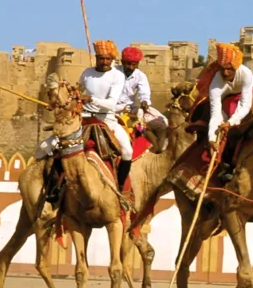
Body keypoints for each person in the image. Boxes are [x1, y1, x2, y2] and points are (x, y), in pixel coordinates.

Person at [35, 39, 133, 189]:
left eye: (107, 59)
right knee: (47, 147)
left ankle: (119, 187)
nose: (104, 62)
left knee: (127, 151)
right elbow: (76, 94)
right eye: (101, 58)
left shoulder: (117, 76)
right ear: (96, 58)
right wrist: (57, 103)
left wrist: (91, 99)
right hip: (84, 118)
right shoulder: (87, 73)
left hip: (106, 119)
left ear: (112, 60)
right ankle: (52, 186)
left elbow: (111, 103)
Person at [194, 43, 253, 180]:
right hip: (228, 97)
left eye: (229, 69)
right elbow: (215, 112)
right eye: (223, 69)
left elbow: (245, 104)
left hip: (249, 89)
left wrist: (231, 122)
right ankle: (226, 163)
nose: (225, 73)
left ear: (236, 67)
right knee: (221, 122)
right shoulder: (216, 84)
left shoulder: (245, 74)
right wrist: (212, 137)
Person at [116, 45, 169, 151]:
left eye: (134, 64)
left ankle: (157, 150)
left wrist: (145, 101)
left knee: (162, 124)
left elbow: (144, 93)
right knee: (138, 125)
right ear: (122, 62)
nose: (130, 67)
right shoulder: (113, 73)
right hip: (112, 108)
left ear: (138, 64)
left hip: (130, 108)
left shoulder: (140, 76)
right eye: (128, 64)